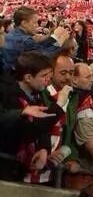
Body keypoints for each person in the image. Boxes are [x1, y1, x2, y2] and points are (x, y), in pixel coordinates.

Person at [0, 52, 61, 180]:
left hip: (20, 169)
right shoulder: (5, 92)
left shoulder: (38, 95)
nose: (48, 79)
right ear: (28, 77)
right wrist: (21, 112)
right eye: (43, 75)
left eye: (49, 75)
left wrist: (43, 148)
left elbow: (42, 127)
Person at [1, 7, 69, 73]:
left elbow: (38, 47)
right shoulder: (26, 40)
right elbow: (43, 57)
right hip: (15, 76)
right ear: (24, 23)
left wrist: (53, 38)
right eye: (35, 22)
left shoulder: (10, 34)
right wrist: (60, 41)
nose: (37, 25)